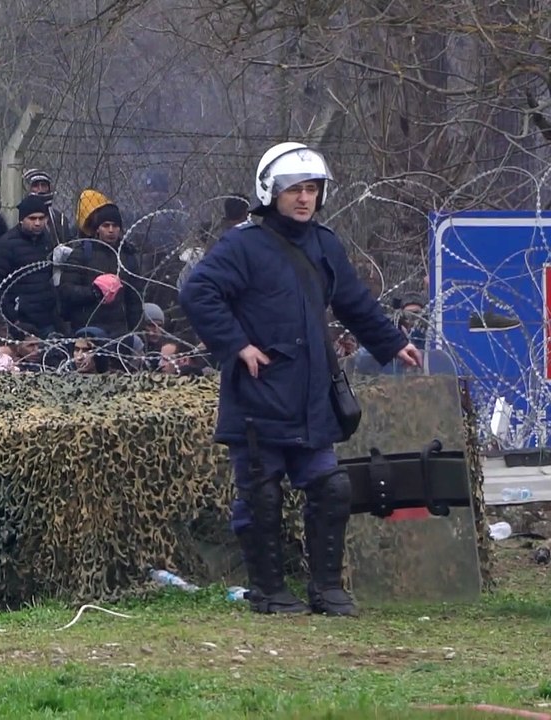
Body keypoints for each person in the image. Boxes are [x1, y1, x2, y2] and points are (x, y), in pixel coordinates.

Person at [179, 142, 423, 618]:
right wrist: (237, 344)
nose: (305, 198)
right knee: (261, 493)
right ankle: (269, 592)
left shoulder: (324, 243)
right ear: (272, 192)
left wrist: (392, 343)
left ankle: (327, 590)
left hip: (312, 391)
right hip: (259, 391)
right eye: (295, 189)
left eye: (312, 189)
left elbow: (354, 301)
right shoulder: (242, 245)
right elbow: (199, 292)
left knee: (331, 488)